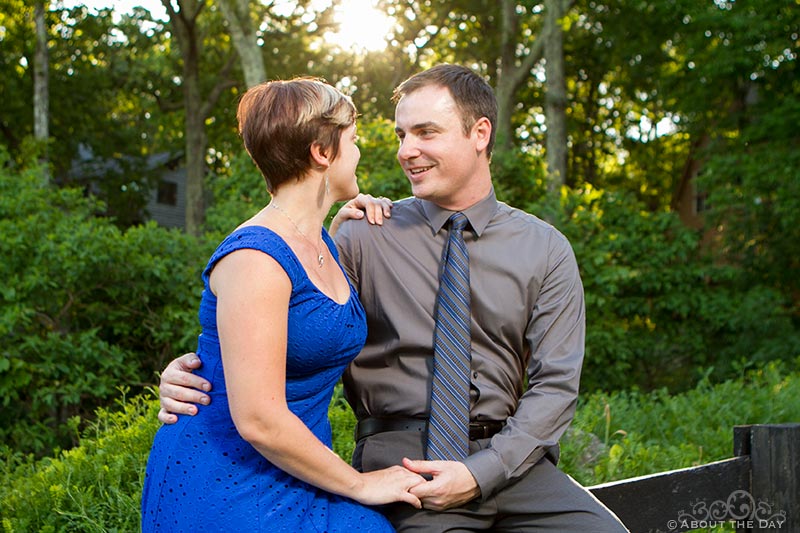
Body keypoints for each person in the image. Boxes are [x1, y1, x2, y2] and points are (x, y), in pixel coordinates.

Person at [157, 65, 628, 532]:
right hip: (402, 457)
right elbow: (283, 321)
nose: (406, 151)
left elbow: (556, 385)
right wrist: (195, 370)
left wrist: (481, 471)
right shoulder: (363, 235)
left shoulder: (545, 248)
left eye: (425, 132)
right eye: (401, 134)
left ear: (480, 133)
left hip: (512, 461)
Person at [140, 77, 425, 533]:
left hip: (296, 473)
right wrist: (361, 484)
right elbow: (257, 417)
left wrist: (348, 219)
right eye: (352, 141)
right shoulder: (254, 258)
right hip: (228, 481)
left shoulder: (322, 242)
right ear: (321, 152)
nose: (359, 153)